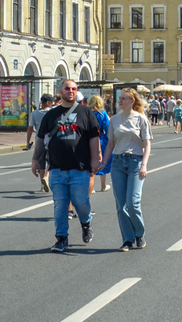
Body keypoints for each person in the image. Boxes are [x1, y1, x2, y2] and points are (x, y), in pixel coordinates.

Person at [32, 79, 101, 252]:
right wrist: (35, 160)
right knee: (60, 205)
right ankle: (61, 238)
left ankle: (86, 223)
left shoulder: (86, 112)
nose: (71, 91)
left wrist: (95, 159)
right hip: (57, 168)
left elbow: (94, 138)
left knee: (81, 202)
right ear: (60, 91)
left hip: (80, 167)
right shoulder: (50, 115)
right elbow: (41, 139)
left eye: (74, 89)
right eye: (67, 88)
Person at [100, 88, 152, 251]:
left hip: (135, 162)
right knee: (120, 205)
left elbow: (147, 144)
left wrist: (144, 165)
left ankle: (139, 233)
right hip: (117, 162)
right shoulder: (114, 119)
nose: (120, 101)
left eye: (124, 98)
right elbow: (110, 144)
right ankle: (127, 239)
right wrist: (104, 163)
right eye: (119, 98)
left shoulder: (141, 119)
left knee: (132, 203)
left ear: (133, 101)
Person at [28, 94, 55, 192]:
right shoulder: (52, 112)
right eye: (51, 103)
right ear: (48, 102)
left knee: (41, 162)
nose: (52, 105)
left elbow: (30, 128)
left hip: (39, 140)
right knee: (52, 161)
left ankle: (42, 186)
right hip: (51, 140)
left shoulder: (34, 113)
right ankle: (46, 177)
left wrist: (28, 142)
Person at [86, 95, 112, 193]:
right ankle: (103, 185)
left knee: (90, 160)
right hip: (100, 138)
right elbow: (107, 127)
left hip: (88, 138)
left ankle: (90, 186)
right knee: (102, 161)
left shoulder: (87, 113)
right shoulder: (102, 114)